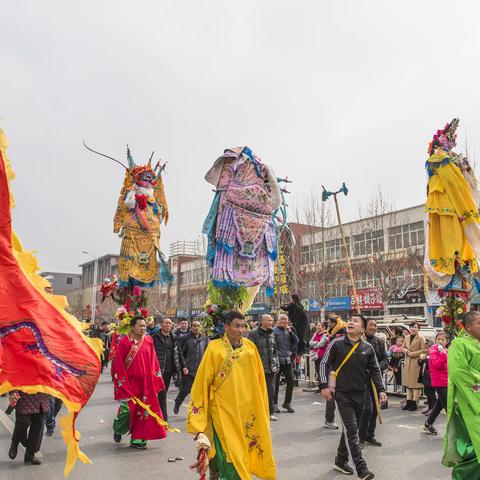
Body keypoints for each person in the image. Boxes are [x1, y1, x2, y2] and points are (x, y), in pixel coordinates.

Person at [187, 311, 276, 479]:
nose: (241, 330)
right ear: (226, 327)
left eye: (243, 326)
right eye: (237, 326)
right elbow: (201, 383)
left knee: (242, 453)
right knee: (228, 456)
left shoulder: (250, 348)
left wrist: (263, 408)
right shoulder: (214, 348)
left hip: (245, 412)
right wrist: (198, 422)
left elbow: (259, 382)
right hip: (222, 412)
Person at [319, 314, 386, 480]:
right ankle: (362, 469)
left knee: (350, 430)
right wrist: (324, 386)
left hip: (361, 394)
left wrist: (381, 389)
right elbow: (324, 363)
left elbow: (375, 370)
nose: (350, 322)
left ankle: (340, 460)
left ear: (362, 329)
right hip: (342, 395)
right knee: (352, 431)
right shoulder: (336, 343)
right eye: (350, 320)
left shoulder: (368, 348)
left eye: (355, 321)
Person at [112, 316, 166, 449]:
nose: (143, 328)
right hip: (130, 384)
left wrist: (156, 379)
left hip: (146, 384)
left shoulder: (148, 340)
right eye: (140, 326)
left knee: (144, 411)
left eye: (144, 326)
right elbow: (118, 365)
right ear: (132, 327)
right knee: (128, 410)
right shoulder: (124, 342)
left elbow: (153, 361)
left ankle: (138, 438)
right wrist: (122, 385)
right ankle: (118, 429)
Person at [443, 311, 480, 478]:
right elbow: (459, 373)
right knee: (473, 448)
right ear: (469, 327)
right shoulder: (459, 344)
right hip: (468, 402)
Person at [358, 319, 388, 448]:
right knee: (366, 410)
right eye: (371, 325)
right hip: (362, 381)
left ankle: (370, 435)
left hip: (375, 380)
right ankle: (361, 437)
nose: (374, 328)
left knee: (375, 409)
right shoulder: (359, 341)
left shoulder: (380, 343)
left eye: (376, 326)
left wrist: (376, 367)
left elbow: (386, 360)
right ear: (365, 327)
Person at [248, 314, 280, 421]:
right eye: (269, 320)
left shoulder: (272, 333)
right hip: (259, 367)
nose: (271, 322)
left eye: (271, 320)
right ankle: (257, 412)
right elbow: (250, 351)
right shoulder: (253, 333)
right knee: (258, 391)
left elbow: (274, 349)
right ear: (262, 321)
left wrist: (276, 363)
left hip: (271, 367)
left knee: (271, 391)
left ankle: (270, 412)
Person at [173, 319, 209, 414]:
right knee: (185, 390)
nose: (196, 328)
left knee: (200, 392)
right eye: (194, 326)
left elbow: (206, 354)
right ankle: (177, 402)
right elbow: (181, 354)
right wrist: (183, 367)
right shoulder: (185, 338)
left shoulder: (205, 339)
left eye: (198, 326)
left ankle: (197, 411)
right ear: (191, 327)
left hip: (200, 370)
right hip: (188, 370)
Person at [310, 320, 339, 429]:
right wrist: (323, 385)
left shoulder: (340, 337)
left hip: (346, 375)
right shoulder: (330, 338)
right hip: (332, 372)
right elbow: (324, 363)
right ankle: (329, 419)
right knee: (331, 393)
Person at [8, 391, 50, 465]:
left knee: (38, 424)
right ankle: (15, 442)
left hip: (42, 394)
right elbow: (12, 378)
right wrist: (12, 391)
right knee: (23, 421)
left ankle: (30, 454)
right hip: (24, 393)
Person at [152, 317, 180, 421]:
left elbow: (178, 353)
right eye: (166, 323)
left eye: (169, 323)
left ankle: (161, 415)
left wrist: (182, 366)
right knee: (159, 393)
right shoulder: (154, 337)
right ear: (161, 325)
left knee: (163, 392)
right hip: (158, 370)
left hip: (169, 370)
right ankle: (162, 416)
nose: (168, 325)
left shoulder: (174, 337)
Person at [423, 332, 449, 435]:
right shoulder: (434, 350)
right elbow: (436, 365)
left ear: (447, 342)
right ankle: (456, 430)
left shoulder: (446, 351)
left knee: (440, 404)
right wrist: (443, 354)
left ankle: (428, 423)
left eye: (443, 340)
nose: (440, 341)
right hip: (439, 382)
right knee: (448, 406)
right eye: (438, 339)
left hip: (447, 381)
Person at [273, 313, 299, 413]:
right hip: (277, 360)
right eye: (282, 319)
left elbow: (296, 341)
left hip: (287, 360)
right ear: (278, 321)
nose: (284, 321)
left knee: (291, 381)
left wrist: (290, 332)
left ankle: (287, 403)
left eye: (285, 319)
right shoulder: (274, 331)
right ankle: (274, 403)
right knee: (275, 383)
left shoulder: (289, 330)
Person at [402, 322, 427, 411]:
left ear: (418, 329)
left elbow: (425, 350)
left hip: (416, 363)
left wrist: (413, 354)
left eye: (415, 327)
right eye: (412, 327)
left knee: (416, 385)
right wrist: (406, 352)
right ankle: (408, 402)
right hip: (408, 362)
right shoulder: (407, 337)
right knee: (408, 384)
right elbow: (403, 347)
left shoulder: (421, 338)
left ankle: (414, 403)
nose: (413, 328)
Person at [418, 341, 436, 415]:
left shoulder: (434, 354)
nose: (427, 349)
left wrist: (425, 359)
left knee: (431, 394)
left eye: (429, 347)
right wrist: (420, 359)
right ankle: (429, 408)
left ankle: (433, 409)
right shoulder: (426, 354)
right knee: (427, 392)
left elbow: (431, 365)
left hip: (431, 376)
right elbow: (419, 364)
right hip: (424, 376)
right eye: (426, 347)